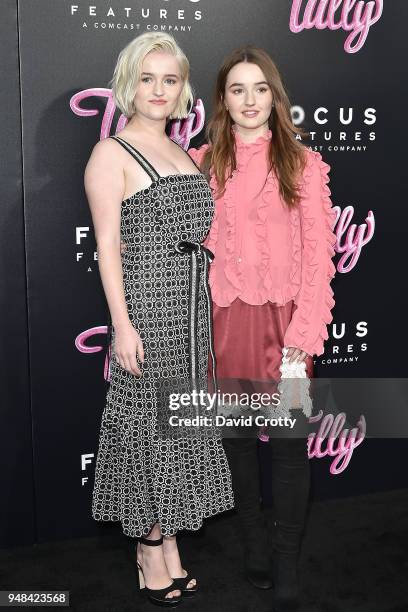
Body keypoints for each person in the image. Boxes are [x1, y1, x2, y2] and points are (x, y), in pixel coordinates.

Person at [85, 32, 234, 607]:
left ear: (182, 91)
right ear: (128, 83)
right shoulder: (111, 154)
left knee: (179, 428)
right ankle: (148, 548)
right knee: (148, 430)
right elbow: (108, 248)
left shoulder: (183, 151)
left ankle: (169, 542)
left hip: (191, 313)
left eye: (169, 80)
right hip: (148, 311)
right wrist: (122, 325)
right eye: (147, 78)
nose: (157, 90)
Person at [187, 46, 337, 611]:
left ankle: (286, 558)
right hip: (225, 327)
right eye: (237, 90)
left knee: (292, 446)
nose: (249, 101)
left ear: (275, 97)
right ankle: (253, 542)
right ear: (221, 101)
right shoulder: (201, 164)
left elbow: (320, 261)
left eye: (260, 89)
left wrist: (301, 337)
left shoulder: (304, 164)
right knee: (239, 443)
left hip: (289, 328)